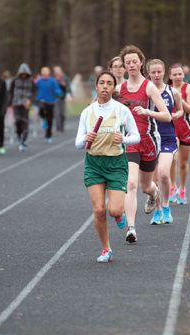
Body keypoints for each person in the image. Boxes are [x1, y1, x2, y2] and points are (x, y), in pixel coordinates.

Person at [75, 71, 140, 262]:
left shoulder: (121, 110)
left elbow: (135, 135)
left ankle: (119, 216)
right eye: (101, 83)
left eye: (109, 83)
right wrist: (85, 138)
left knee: (115, 210)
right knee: (98, 210)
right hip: (94, 164)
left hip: (116, 164)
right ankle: (106, 249)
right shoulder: (87, 112)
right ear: (96, 86)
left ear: (113, 87)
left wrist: (124, 139)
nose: (105, 86)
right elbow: (78, 143)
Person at [117, 44, 171, 243]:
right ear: (124, 65)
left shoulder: (148, 86)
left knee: (146, 185)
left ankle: (154, 193)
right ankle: (131, 228)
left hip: (148, 141)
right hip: (130, 142)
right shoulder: (120, 88)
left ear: (141, 63)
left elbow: (166, 115)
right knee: (130, 183)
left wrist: (147, 112)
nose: (131, 65)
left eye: (134, 61)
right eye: (127, 62)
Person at [145, 59, 183, 225]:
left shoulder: (173, 92)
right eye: (153, 72)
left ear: (164, 73)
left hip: (167, 137)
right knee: (153, 180)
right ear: (148, 74)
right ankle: (158, 210)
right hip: (151, 138)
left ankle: (166, 207)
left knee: (164, 174)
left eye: (159, 71)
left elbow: (181, 110)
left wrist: (176, 115)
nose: (156, 75)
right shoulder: (146, 92)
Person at [168, 63, 190, 205]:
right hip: (171, 128)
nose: (178, 77)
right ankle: (172, 187)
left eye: (180, 74)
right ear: (170, 76)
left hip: (185, 127)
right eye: (175, 74)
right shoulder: (166, 89)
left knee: (183, 163)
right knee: (172, 159)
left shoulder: (188, 88)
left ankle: (183, 189)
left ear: (183, 75)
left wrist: (180, 98)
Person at [9, 63, 36, 151]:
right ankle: (18, 135)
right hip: (16, 103)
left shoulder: (31, 81)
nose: (24, 75)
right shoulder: (14, 80)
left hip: (26, 105)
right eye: (22, 74)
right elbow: (10, 91)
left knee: (25, 122)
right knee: (17, 121)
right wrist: (9, 103)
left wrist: (30, 101)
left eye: (25, 74)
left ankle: (23, 140)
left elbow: (34, 92)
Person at [36, 66, 62, 143]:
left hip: (50, 101)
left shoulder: (52, 81)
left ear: (49, 73)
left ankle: (48, 136)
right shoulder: (39, 81)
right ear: (41, 73)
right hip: (41, 100)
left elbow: (57, 89)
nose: (45, 73)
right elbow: (35, 90)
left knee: (50, 120)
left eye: (46, 71)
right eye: (43, 71)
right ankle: (43, 119)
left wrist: (58, 92)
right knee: (41, 112)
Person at [53, 65, 72, 133]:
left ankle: (62, 127)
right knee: (57, 113)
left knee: (62, 113)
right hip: (55, 98)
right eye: (55, 70)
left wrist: (69, 93)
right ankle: (58, 128)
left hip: (63, 98)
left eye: (57, 70)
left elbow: (68, 86)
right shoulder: (53, 78)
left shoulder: (64, 77)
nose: (56, 72)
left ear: (60, 71)